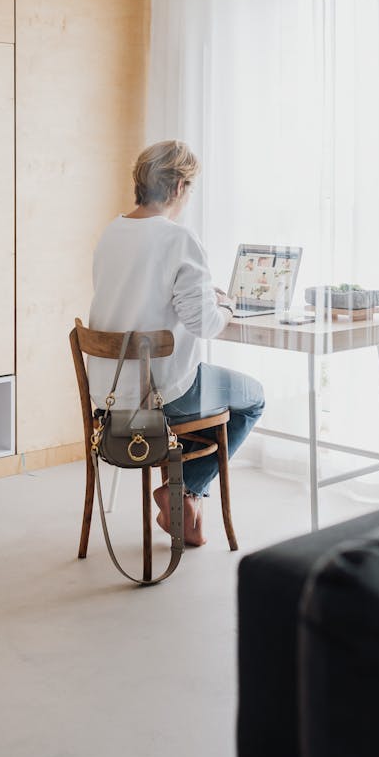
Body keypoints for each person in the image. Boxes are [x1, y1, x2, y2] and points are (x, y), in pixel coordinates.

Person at [88, 140, 265, 546]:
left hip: (110, 397)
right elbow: (204, 324)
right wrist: (229, 306)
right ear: (179, 187)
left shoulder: (110, 233)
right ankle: (186, 489)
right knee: (252, 399)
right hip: (161, 397)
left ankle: (179, 489)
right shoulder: (178, 239)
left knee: (194, 389)